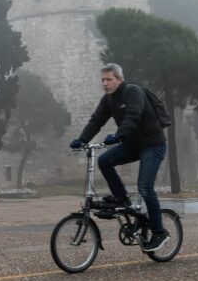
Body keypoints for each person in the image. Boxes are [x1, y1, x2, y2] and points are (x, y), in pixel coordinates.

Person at [70, 63, 169, 252]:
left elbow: (134, 115)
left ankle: (159, 232)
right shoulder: (108, 100)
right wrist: (82, 140)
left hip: (153, 144)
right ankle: (123, 199)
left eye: (109, 79)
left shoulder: (133, 92)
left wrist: (118, 135)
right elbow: (96, 121)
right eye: (103, 80)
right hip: (132, 145)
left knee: (145, 187)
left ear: (120, 79)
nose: (105, 84)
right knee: (104, 161)